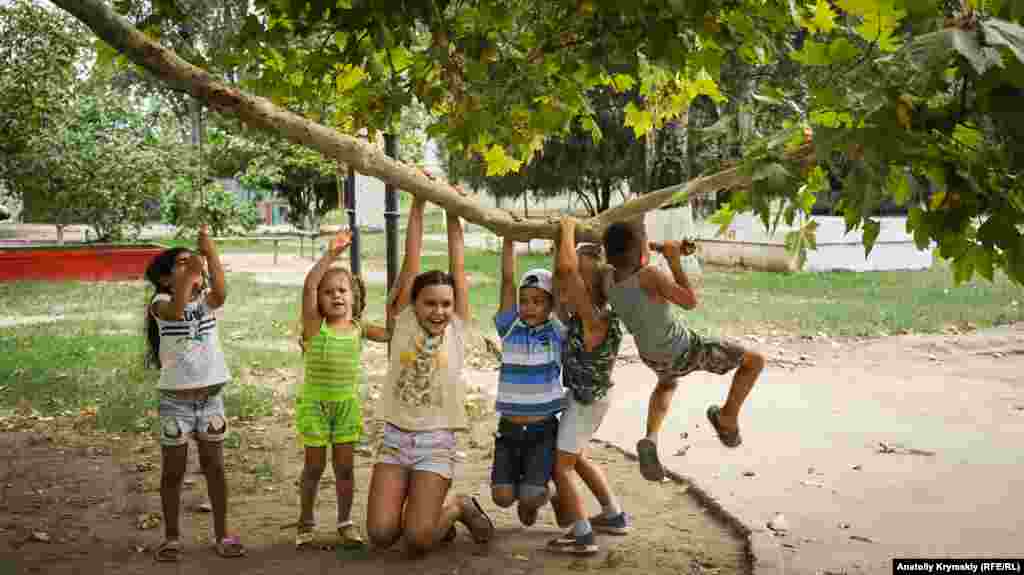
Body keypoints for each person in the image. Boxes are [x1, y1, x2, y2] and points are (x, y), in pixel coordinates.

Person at [365, 197, 494, 555]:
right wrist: (418, 204)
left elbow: (459, 264)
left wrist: (454, 211)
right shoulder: (404, 322)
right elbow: (412, 261)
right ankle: (421, 509)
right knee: (380, 534)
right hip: (395, 439)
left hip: (435, 443)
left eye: (446, 304)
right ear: (414, 304)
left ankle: (456, 505)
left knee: (418, 540)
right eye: (429, 303)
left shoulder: (457, 329)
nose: (438, 310)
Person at [602, 221, 765, 481]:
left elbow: (630, 259)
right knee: (755, 361)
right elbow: (690, 302)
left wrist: (660, 249)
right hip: (685, 350)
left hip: (651, 356)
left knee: (667, 384)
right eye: (646, 239)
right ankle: (727, 418)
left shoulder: (607, 279)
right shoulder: (650, 275)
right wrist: (676, 262)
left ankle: (651, 438)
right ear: (639, 251)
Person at [143, 225, 245, 561]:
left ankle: (223, 533)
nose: (191, 269)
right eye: (181, 265)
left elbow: (223, 291)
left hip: (211, 399)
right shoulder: (160, 304)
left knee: (215, 467)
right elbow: (176, 310)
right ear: (165, 279)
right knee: (173, 471)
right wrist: (193, 270)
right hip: (176, 404)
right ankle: (172, 538)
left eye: (192, 264)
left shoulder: (206, 302)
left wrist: (210, 251)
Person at [295, 229, 389, 550]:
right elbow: (309, 284)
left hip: (346, 407)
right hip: (316, 406)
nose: (336, 296)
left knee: (345, 468)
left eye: (342, 290)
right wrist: (331, 254)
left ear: (353, 295)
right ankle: (306, 521)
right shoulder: (313, 327)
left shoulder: (359, 329)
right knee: (314, 467)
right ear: (318, 299)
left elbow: (393, 333)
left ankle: (345, 522)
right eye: (328, 292)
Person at [546, 218, 630, 555]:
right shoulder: (585, 317)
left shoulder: (595, 319)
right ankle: (614, 515)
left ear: (587, 286)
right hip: (588, 398)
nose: (566, 286)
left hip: (585, 402)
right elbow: (560, 277)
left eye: (575, 281)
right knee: (577, 458)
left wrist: (567, 228)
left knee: (560, 466)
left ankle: (582, 535)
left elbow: (566, 271)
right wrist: (559, 243)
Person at [490, 236, 566, 527]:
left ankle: (544, 493)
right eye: (524, 301)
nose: (529, 307)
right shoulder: (509, 327)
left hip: (542, 431)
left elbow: (561, 278)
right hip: (509, 431)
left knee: (531, 496)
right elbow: (508, 281)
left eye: (538, 301)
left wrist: (562, 240)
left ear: (551, 304)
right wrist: (507, 239)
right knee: (501, 497)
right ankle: (527, 492)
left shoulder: (557, 331)